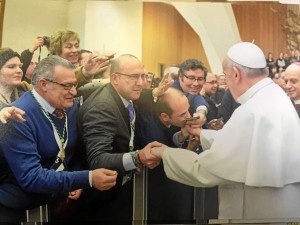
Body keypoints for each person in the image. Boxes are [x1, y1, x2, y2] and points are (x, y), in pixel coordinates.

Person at [151, 42, 300, 220]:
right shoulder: (274, 94)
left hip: (256, 208)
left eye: (226, 76)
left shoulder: (250, 111)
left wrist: (164, 153)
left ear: (236, 74)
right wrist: (202, 134)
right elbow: (244, 145)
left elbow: (207, 168)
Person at [0, 55, 118, 222]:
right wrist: (87, 178)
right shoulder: (16, 117)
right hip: (19, 211)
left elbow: (73, 151)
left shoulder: (68, 107)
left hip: (56, 203)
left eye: (74, 85)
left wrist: (75, 177)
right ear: (44, 84)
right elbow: (32, 177)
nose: (74, 92)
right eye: (67, 86)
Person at [77, 54, 161, 222]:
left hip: (117, 192)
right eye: (134, 77)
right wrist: (136, 158)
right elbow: (98, 159)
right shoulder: (102, 107)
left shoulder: (125, 97)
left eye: (143, 76)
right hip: (100, 202)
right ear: (114, 78)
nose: (141, 83)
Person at [135, 87, 201, 223]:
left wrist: (181, 137)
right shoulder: (152, 136)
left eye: (188, 110)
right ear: (165, 116)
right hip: (158, 200)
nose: (189, 116)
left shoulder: (167, 115)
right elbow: (168, 168)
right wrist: (189, 150)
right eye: (183, 114)